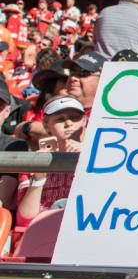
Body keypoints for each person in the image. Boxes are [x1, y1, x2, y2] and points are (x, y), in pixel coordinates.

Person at [14, 95, 85, 228]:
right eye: (60, 119)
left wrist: (88, 157)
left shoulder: (99, 157)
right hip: (45, 232)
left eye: (75, 118)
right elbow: (24, 221)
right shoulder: (35, 160)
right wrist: (38, 179)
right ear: (46, 124)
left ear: (84, 121)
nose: (69, 123)